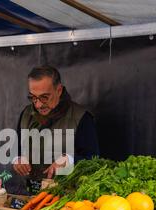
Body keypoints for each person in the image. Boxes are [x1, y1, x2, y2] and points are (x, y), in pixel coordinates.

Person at [12, 65, 99, 193]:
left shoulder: (81, 117)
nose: (39, 104)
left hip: (67, 197)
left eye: (44, 97)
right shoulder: (26, 114)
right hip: (31, 194)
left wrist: (69, 160)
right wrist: (17, 159)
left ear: (59, 90)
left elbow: (94, 159)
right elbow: (16, 148)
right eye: (33, 97)